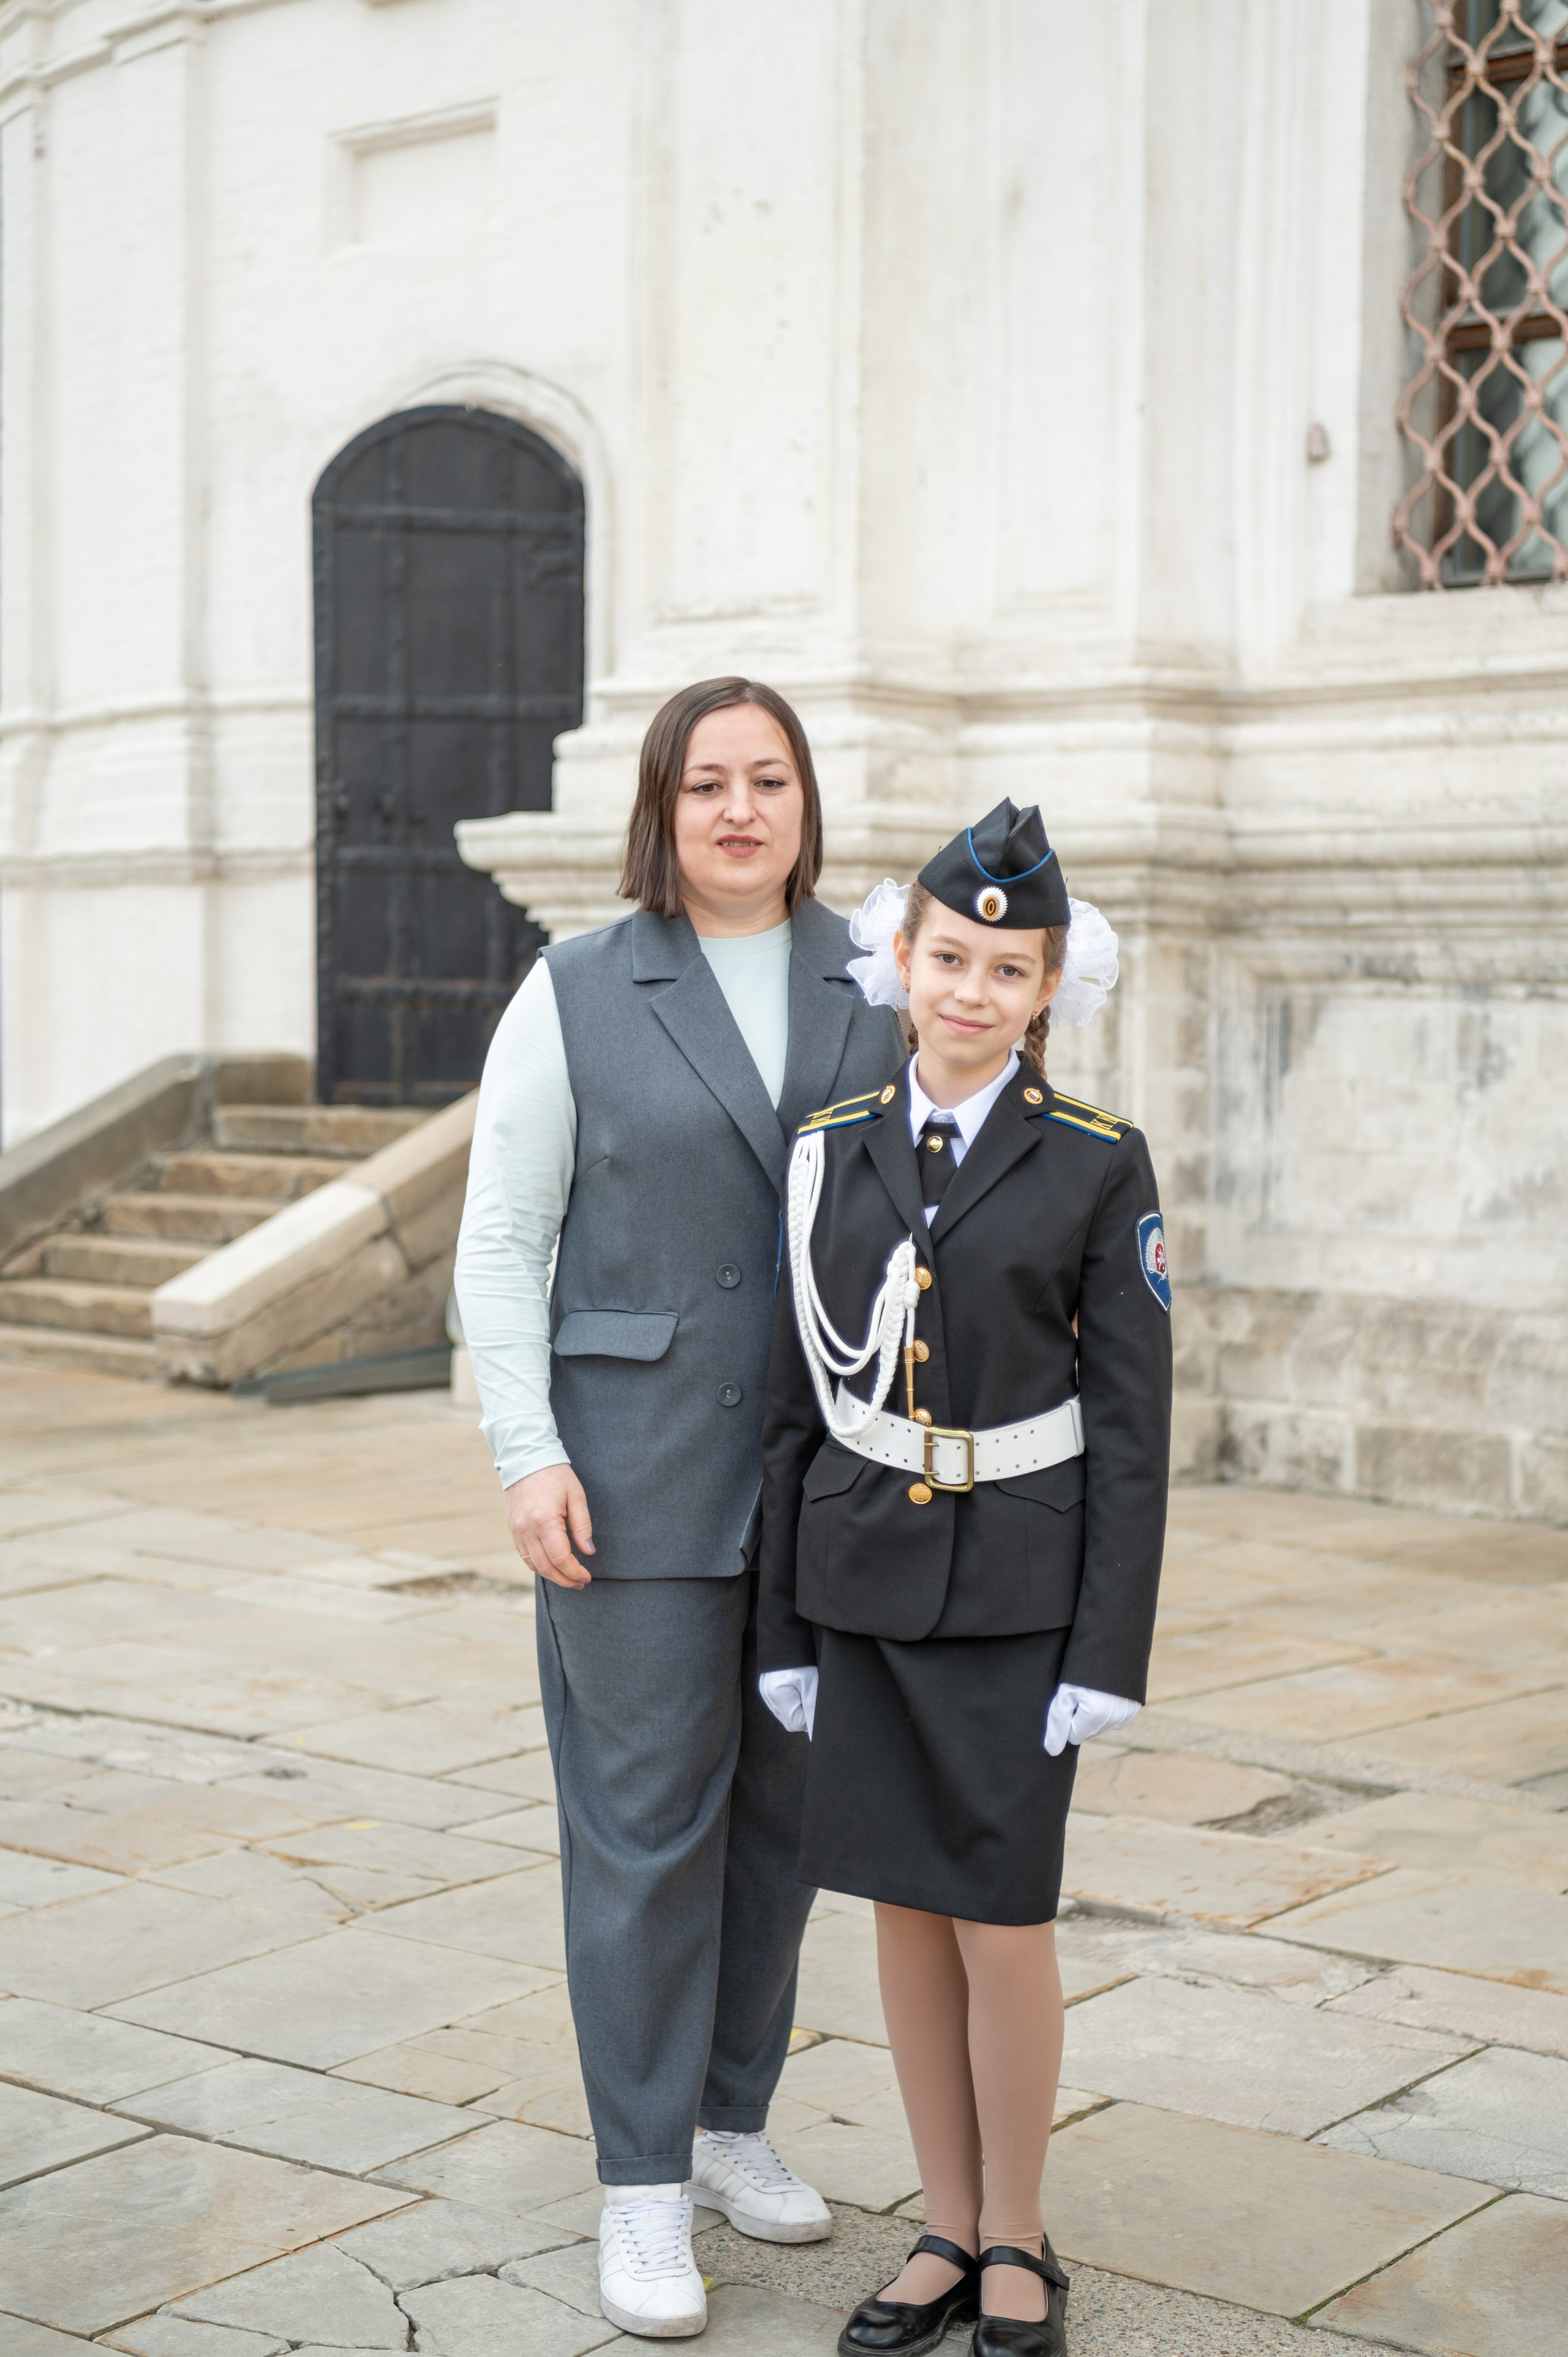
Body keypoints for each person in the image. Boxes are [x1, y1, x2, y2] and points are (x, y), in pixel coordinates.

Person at [453, 677, 906, 2339]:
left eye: (766, 780)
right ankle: (639, 2190)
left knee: (783, 1835)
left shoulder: (873, 979)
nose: (737, 808)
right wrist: (525, 1449)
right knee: (645, 1846)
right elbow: (504, 1238)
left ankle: (728, 2127)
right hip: (628, 1485)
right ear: (661, 808)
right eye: (706, 781)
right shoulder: (575, 988)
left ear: (804, 805)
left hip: (820, 1494)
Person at [757, 801, 1172, 2357]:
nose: (971, 989)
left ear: (1049, 989)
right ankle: (940, 2219)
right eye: (949, 956)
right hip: (860, 1583)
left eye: (1009, 968)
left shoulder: (1090, 1163)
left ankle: (1018, 2237)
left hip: (1016, 1596)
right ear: (899, 959)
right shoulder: (825, 1151)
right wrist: (782, 1625)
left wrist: (1105, 1647)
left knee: (998, 1914)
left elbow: (1134, 1427)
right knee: (900, 1910)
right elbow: (807, 1404)